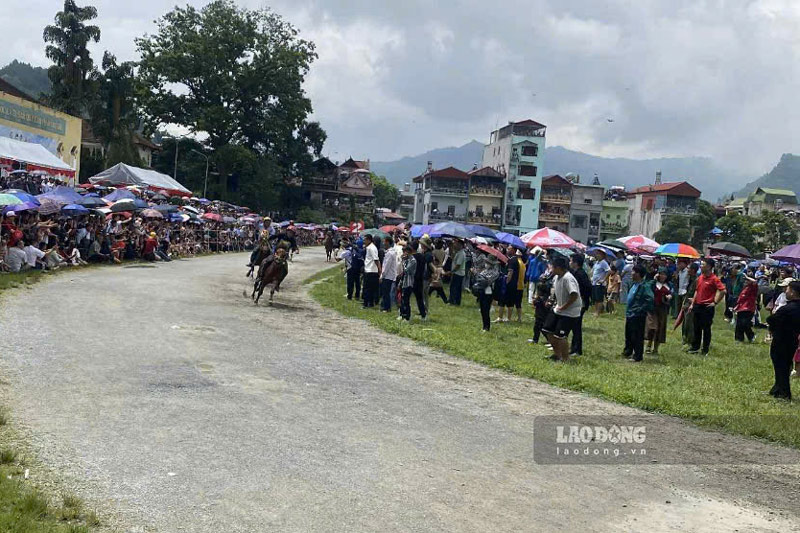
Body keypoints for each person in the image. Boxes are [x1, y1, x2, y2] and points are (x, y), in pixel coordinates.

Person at [542, 256, 582, 362]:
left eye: (553, 268)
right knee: (547, 330)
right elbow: (555, 290)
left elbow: (574, 295)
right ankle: (557, 354)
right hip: (558, 309)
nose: (551, 270)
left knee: (561, 336)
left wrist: (564, 306)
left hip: (569, 312)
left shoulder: (568, 278)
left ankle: (565, 359)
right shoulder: (556, 277)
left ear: (559, 268)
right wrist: (551, 300)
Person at [766, 280, 800, 400]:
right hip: (792, 340)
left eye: (788, 289)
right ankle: (777, 388)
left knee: (780, 366)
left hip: (781, 340)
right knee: (785, 365)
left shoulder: (788, 309)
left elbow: (771, 320)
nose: (786, 291)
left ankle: (784, 392)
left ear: (793, 292)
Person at [689, 258, 727, 355]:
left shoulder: (714, 279)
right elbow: (697, 291)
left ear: (709, 267)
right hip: (697, 305)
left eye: (703, 264)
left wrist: (715, 302)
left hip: (707, 307)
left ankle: (705, 349)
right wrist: (693, 303)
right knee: (696, 327)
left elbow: (723, 290)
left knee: (706, 329)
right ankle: (695, 347)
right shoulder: (700, 277)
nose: (701, 266)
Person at [623, 265, 654, 363]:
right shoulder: (634, 284)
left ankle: (637, 356)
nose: (631, 273)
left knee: (637, 336)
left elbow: (650, 299)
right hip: (630, 313)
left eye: (633, 272)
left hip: (638, 314)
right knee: (629, 334)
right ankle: (628, 351)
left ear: (638, 274)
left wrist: (640, 309)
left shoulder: (644, 286)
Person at [569, 253, 592, 357]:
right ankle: (574, 348)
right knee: (574, 326)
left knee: (576, 326)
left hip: (580, 303)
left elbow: (587, 288)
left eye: (571, 261)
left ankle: (577, 349)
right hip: (578, 303)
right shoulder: (576, 272)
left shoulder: (580, 274)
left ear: (576, 263)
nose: (569, 263)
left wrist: (583, 299)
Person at [645, 268, 672, 355]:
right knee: (652, 327)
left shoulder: (669, 285)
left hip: (663, 309)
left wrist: (670, 297)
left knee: (660, 328)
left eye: (665, 274)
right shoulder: (653, 283)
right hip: (653, 308)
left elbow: (672, 293)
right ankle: (649, 345)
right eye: (661, 274)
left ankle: (656, 348)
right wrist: (654, 279)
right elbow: (647, 287)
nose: (663, 276)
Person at [473, 254, 500, 332]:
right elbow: (479, 278)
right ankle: (484, 326)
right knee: (482, 309)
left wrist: (479, 276)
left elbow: (487, 281)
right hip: (481, 291)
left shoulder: (495, 272)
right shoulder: (485, 270)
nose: (486, 264)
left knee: (486, 309)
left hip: (488, 292)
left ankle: (486, 327)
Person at [502, 248, 526, 322]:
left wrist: (506, 282)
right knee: (518, 303)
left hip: (514, 284)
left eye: (509, 249)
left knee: (510, 302)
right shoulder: (522, 263)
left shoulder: (514, 261)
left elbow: (511, 273)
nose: (508, 250)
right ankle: (519, 318)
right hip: (521, 285)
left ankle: (508, 318)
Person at [733, 273, 758, 342]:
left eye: (747, 280)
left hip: (749, 308)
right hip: (741, 308)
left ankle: (751, 335)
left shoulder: (753, 287)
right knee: (739, 324)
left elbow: (755, 281)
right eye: (745, 280)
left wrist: (747, 277)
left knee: (745, 323)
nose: (746, 281)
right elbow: (741, 299)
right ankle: (739, 339)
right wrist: (736, 307)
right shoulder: (745, 288)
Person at [681, 262, 700, 347]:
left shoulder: (696, 280)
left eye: (689, 268)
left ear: (692, 270)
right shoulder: (689, 278)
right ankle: (685, 339)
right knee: (685, 322)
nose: (687, 270)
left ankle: (690, 341)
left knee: (689, 323)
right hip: (686, 302)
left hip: (691, 304)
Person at [398, 245, 418, 321]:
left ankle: (407, 317)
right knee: (402, 299)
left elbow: (407, 270)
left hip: (409, 282)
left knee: (406, 300)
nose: (403, 253)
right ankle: (402, 314)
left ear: (408, 252)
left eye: (405, 251)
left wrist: (403, 262)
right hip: (404, 282)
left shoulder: (413, 260)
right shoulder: (406, 260)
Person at [361, 234, 381, 308]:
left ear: (369, 240)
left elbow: (376, 259)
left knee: (367, 288)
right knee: (371, 288)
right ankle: (370, 303)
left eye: (365, 240)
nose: (364, 241)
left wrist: (379, 269)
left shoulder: (371, 248)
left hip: (371, 270)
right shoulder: (369, 247)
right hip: (369, 269)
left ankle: (366, 303)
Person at [379, 236, 398, 312]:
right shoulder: (389, 252)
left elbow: (386, 266)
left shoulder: (390, 253)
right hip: (389, 275)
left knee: (386, 292)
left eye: (384, 242)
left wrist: (382, 275)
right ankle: (385, 306)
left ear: (387, 242)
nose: (383, 243)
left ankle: (387, 308)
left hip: (388, 276)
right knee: (385, 292)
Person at [591, 249, 610, 316]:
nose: (597, 255)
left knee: (599, 299)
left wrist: (604, 279)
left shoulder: (603, 262)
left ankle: (598, 312)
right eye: (596, 254)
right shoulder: (597, 262)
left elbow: (608, 271)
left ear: (602, 255)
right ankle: (596, 311)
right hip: (594, 283)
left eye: (598, 254)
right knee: (595, 298)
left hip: (600, 284)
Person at [449, 239, 466, 305]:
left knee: (454, 288)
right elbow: (453, 258)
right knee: (457, 288)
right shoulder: (458, 252)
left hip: (458, 273)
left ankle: (453, 301)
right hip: (458, 273)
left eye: (457, 244)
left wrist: (452, 271)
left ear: (461, 245)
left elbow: (458, 265)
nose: (456, 245)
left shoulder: (461, 253)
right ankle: (456, 301)